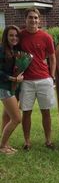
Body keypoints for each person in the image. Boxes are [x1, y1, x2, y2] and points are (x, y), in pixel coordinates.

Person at [19, 7, 56, 150]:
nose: (33, 20)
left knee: (45, 111)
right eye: (30, 17)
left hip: (43, 79)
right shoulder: (20, 36)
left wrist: (52, 76)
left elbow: (52, 58)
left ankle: (48, 140)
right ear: (26, 19)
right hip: (26, 81)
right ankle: (27, 142)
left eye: (35, 18)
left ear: (39, 20)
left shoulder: (46, 37)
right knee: (26, 112)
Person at [0, 25, 24, 154]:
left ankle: (5, 144)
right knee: (16, 119)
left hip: (10, 87)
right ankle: (2, 146)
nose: (14, 38)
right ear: (6, 36)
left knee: (6, 117)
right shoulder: (2, 49)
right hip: (4, 87)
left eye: (16, 35)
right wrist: (13, 79)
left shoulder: (12, 50)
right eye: (11, 35)